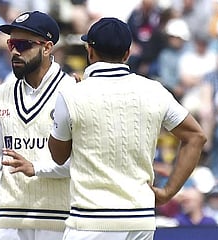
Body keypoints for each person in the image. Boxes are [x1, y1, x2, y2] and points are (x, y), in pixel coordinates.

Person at [48, 17, 206, 240]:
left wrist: (60, 114)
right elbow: (196, 136)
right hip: (139, 219)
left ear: (90, 51)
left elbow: (58, 155)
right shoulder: (154, 90)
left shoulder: (72, 94)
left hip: (91, 221)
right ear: (127, 54)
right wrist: (168, 192)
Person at [0, 11, 76, 240]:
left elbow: (80, 162)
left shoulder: (73, 91)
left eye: (23, 44)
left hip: (58, 218)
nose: (15, 51)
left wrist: (36, 167)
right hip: (9, 218)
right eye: (11, 43)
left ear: (47, 47)